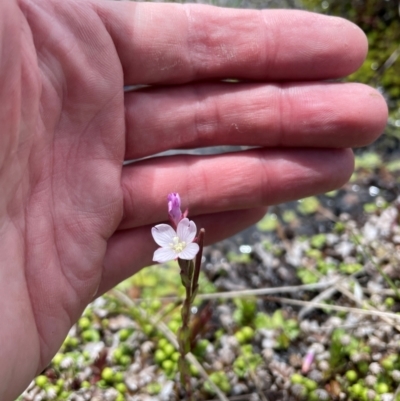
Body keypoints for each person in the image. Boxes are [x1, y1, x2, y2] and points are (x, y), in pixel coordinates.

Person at [0, 0, 388, 399]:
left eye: (181, 239)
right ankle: (185, 373)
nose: (179, 241)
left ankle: (187, 373)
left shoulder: (180, 240)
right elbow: (171, 238)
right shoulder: (173, 243)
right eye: (178, 239)